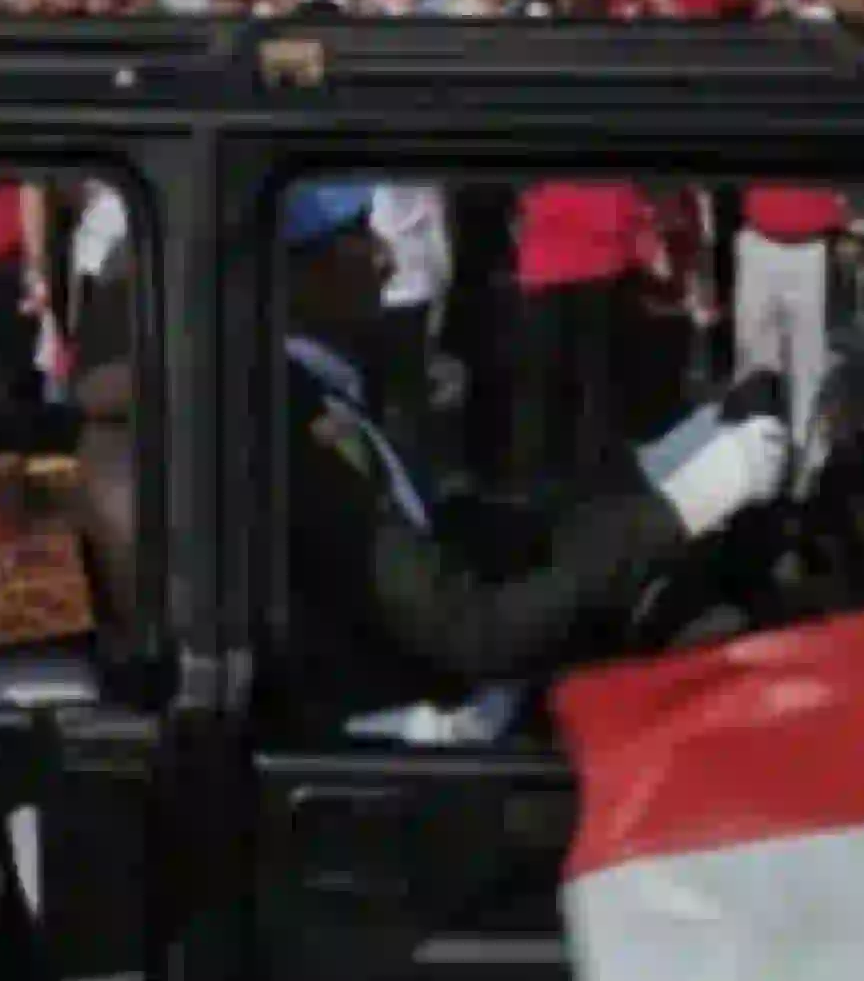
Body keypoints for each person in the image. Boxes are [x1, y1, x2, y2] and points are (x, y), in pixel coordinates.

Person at [278, 181, 786, 740]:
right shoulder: (300, 423)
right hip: (410, 727)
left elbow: (460, 530)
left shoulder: (328, 392)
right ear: (298, 275)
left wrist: (643, 479)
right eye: (353, 239)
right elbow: (474, 630)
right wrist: (674, 514)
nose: (384, 256)